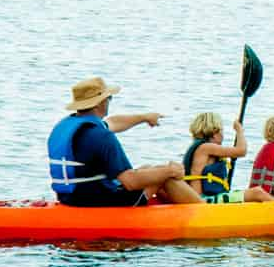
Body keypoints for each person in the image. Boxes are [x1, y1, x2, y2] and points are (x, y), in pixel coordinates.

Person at [48, 77, 203, 207]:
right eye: (109, 98)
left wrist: (144, 117)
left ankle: (174, 207)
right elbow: (130, 182)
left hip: (70, 197)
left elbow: (114, 122)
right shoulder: (102, 136)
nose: (109, 101)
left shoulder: (68, 126)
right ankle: (203, 213)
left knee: (149, 169)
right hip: (97, 201)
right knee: (164, 176)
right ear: (100, 103)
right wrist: (170, 171)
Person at [183, 112, 274, 203]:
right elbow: (241, 151)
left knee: (251, 196)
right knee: (257, 193)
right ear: (215, 133)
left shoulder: (198, 147)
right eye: (221, 131)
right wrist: (239, 131)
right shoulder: (206, 147)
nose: (223, 136)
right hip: (204, 199)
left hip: (205, 197)